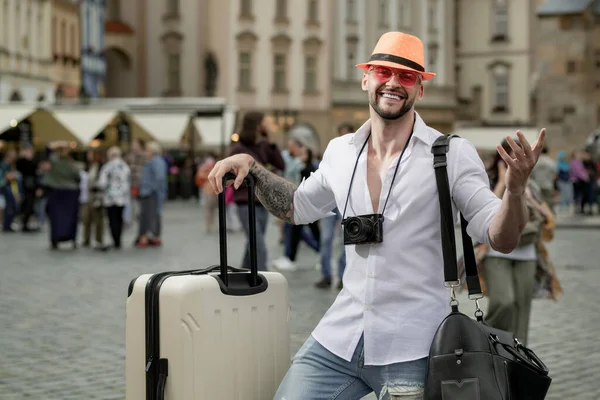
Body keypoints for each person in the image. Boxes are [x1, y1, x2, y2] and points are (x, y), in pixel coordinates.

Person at [208, 31, 546, 400]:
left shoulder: (450, 154)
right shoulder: (341, 152)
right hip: (340, 338)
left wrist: (513, 191)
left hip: (412, 346)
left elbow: (502, 237)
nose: (393, 82)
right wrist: (252, 167)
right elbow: (296, 206)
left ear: (420, 89)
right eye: (384, 71)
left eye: (406, 76)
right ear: (366, 77)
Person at [97, 147, 131, 249]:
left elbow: (102, 183)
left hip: (110, 198)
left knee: (112, 220)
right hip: (122, 198)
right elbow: (128, 181)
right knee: (119, 219)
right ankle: (118, 239)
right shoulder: (125, 166)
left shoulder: (107, 167)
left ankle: (115, 239)